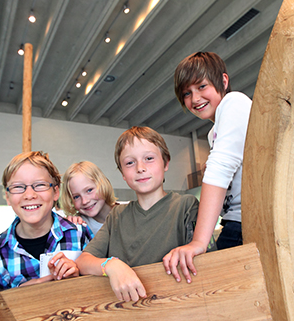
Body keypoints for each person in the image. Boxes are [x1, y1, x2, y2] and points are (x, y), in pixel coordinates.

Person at [77, 126, 201, 302]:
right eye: (129, 163)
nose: (140, 168)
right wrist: (111, 265)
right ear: (122, 173)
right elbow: (83, 261)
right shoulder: (116, 216)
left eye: (149, 158)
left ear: (165, 163)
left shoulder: (186, 206)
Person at [163, 52, 252, 283]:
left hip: (250, 224)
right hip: (237, 223)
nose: (195, 98)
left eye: (202, 86)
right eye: (187, 93)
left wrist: (199, 242)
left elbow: (220, 171)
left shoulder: (234, 102)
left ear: (223, 81)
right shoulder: (214, 132)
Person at [0, 151, 93, 292]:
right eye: (18, 187)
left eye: (40, 185)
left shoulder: (80, 233)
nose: (29, 195)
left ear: (55, 192)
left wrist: (80, 277)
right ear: (8, 197)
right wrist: (22, 292)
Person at [60, 161, 121, 234]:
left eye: (89, 190)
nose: (84, 201)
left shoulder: (129, 212)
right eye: (76, 197)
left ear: (103, 184)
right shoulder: (80, 226)